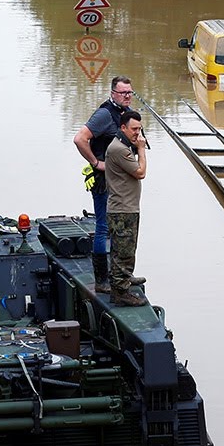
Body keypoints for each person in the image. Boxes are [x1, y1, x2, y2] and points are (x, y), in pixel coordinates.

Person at [73, 76, 134, 293]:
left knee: (121, 227)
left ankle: (120, 274)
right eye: (123, 93)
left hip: (122, 181)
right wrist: (95, 162)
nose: (127, 96)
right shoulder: (104, 114)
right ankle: (102, 280)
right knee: (103, 227)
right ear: (113, 93)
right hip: (103, 180)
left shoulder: (125, 114)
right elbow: (80, 138)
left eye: (130, 92)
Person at [104, 109, 147, 305]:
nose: (137, 133)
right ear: (123, 127)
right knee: (124, 251)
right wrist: (141, 150)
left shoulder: (122, 145)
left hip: (127, 207)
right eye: (133, 129)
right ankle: (120, 293)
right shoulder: (119, 149)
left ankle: (125, 278)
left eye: (139, 129)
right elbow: (140, 172)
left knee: (127, 249)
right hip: (122, 209)